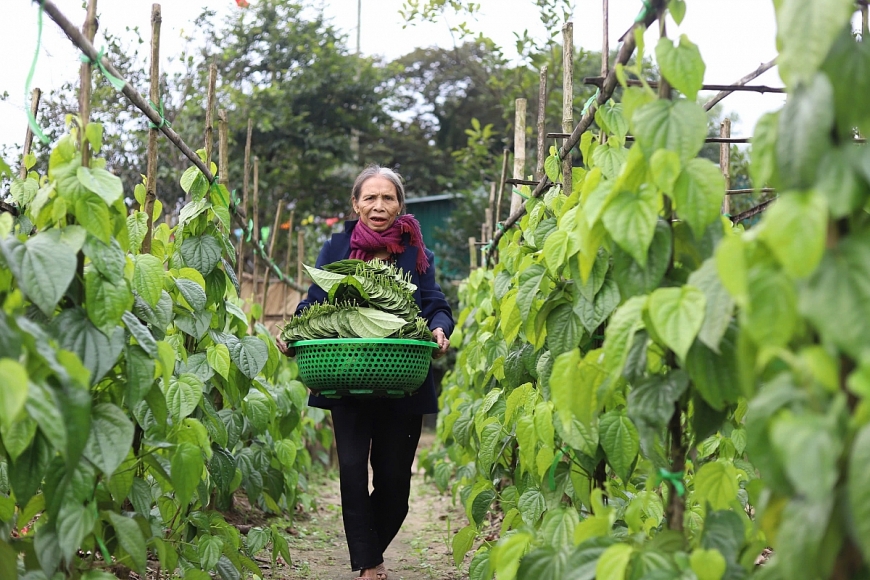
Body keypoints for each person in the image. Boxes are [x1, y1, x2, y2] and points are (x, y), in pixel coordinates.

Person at [277, 165, 453, 580]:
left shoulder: (414, 251)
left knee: (394, 486)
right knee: (353, 474)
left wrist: (440, 327)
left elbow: (434, 302)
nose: (379, 206)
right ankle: (368, 565)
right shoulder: (336, 247)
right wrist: (293, 332)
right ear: (355, 204)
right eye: (370, 198)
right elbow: (313, 302)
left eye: (388, 198)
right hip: (346, 377)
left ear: (399, 205)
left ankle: (368, 548)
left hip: (403, 381)